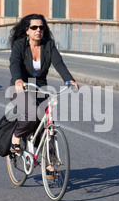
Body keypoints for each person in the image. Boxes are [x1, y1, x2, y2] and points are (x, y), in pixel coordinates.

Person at [8, 14, 79, 152]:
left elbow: (59, 63)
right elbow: (14, 63)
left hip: (39, 86)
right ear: (27, 30)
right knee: (32, 113)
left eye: (41, 27)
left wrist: (69, 79)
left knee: (48, 122)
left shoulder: (49, 45)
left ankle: (50, 164)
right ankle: (17, 136)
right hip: (21, 86)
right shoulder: (19, 45)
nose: (38, 30)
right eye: (34, 27)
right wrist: (18, 79)